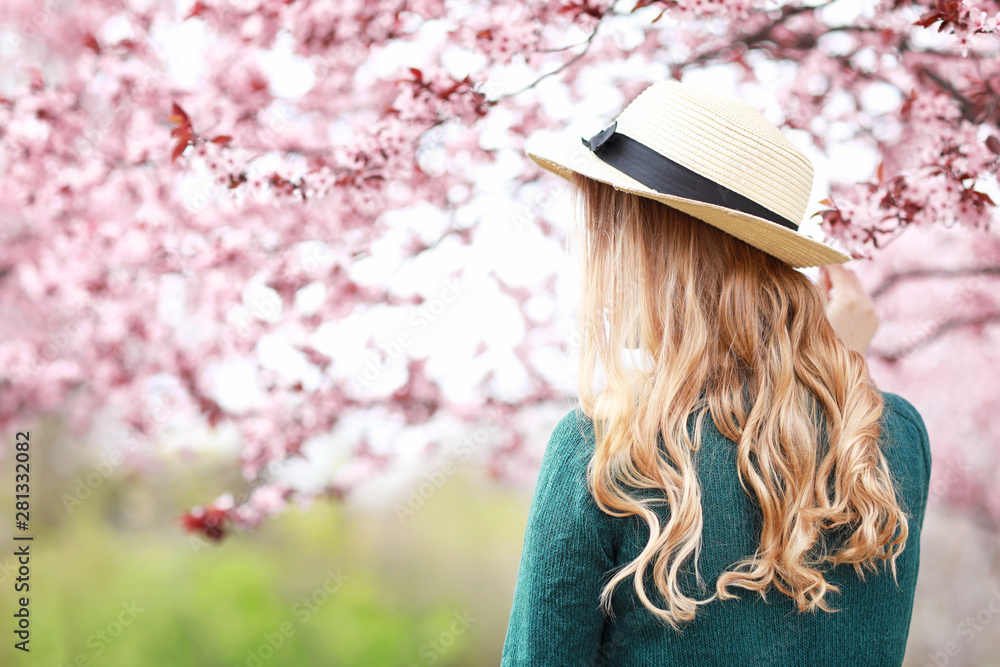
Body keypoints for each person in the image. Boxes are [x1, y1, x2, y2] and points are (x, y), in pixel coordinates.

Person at [500, 80, 931, 667]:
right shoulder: (896, 438)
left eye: (611, 236)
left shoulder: (602, 451)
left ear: (650, 250)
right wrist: (839, 357)